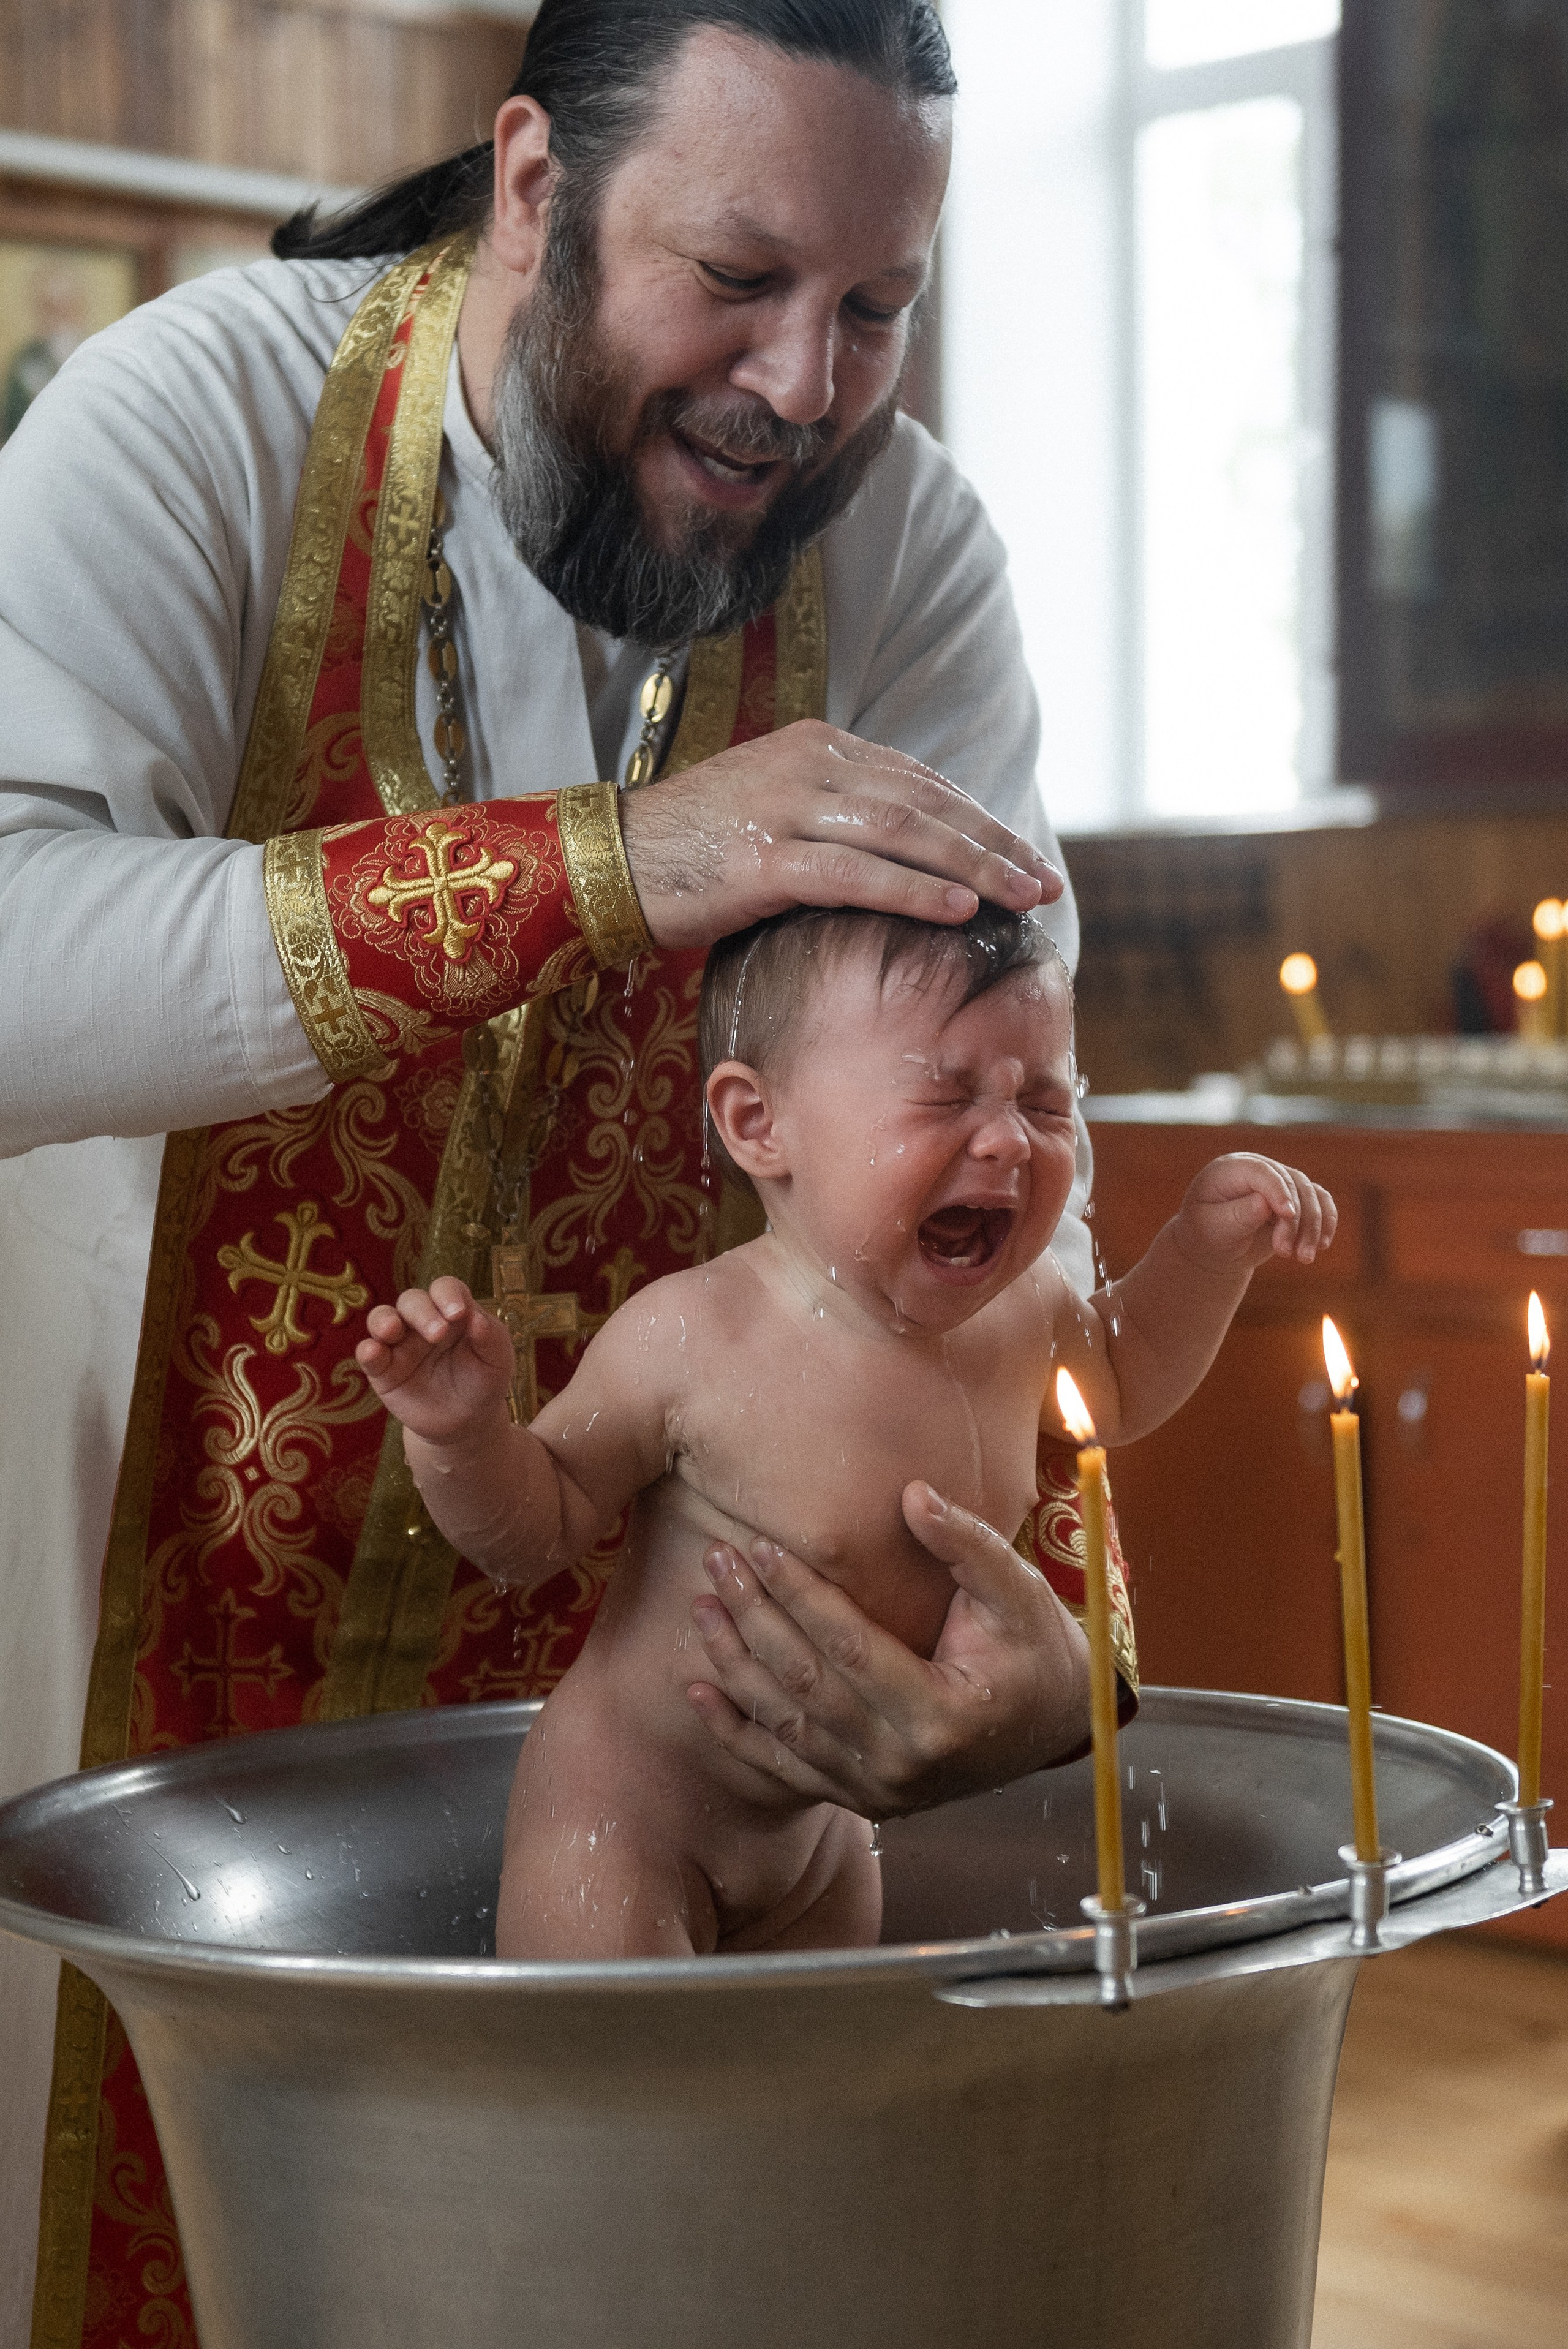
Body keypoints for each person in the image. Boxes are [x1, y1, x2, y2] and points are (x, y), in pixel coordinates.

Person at [0, 2, 1128, 2334]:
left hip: (691, 1743)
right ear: (533, 187)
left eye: (880, 308)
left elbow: (1011, 1155)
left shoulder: (906, 557)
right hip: (151, 1619)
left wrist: (1059, 1656)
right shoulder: (197, 418)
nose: (807, 385)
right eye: (736, 274)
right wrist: (602, 863)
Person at [356, 904, 1336, 1958]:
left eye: (1048, 1102)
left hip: (823, 1831)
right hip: (626, 1818)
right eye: (944, 1095)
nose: (1009, 1139)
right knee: (622, 2101)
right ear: (758, 1124)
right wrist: (460, 1438)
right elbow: (534, 1530)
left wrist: (1203, 1251)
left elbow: (1129, 1374)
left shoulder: (1032, 1314)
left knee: (805, 2104)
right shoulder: (695, 1335)